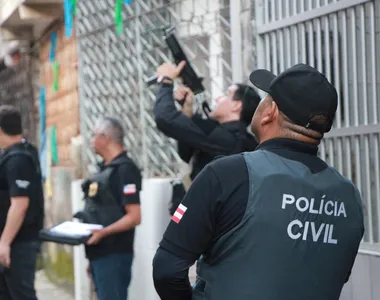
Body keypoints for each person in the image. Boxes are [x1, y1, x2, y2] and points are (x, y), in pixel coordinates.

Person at [152, 63, 365, 300]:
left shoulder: (228, 174)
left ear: (270, 112)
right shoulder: (349, 196)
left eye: (266, 97)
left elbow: (167, 270)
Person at [154, 61, 261, 214]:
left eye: (226, 95)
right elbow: (186, 154)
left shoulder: (226, 137)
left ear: (237, 106)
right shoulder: (234, 137)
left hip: (200, 220)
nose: (217, 99)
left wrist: (166, 81)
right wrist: (187, 111)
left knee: (172, 238)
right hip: (196, 216)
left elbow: (164, 118)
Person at [75, 117, 141, 300]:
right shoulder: (104, 170)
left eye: (94, 136)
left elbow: (135, 216)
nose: (92, 141)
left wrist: (103, 233)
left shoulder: (125, 170)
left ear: (105, 138)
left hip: (114, 253)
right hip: (100, 254)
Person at [0, 105, 44, 300]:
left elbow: (20, 204)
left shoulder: (17, 159)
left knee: (21, 294)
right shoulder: (24, 151)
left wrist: (4, 243)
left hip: (18, 243)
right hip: (15, 242)